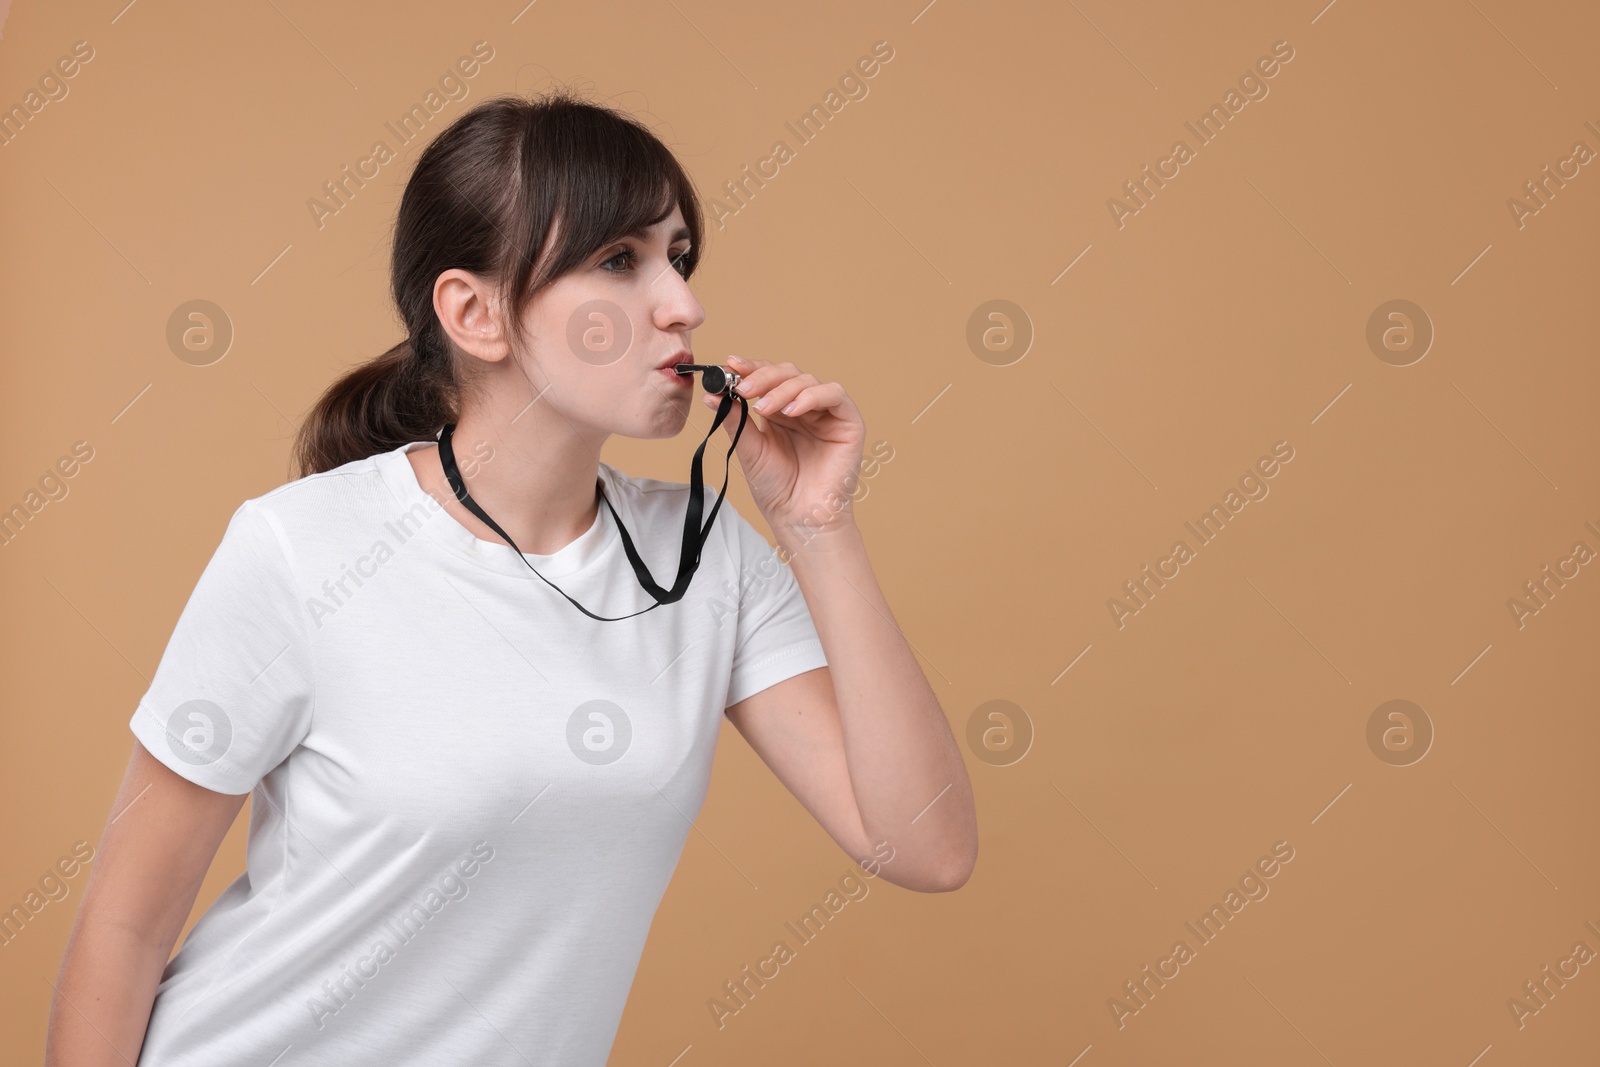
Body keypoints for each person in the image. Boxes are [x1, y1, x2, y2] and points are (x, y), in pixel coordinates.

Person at [44, 88, 977, 1067]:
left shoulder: (708, 563)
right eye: (620, 260)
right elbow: (124, 928)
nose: (683, 303)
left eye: (677, 256)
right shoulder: (299, 548)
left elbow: (924, 846)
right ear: (474, 312)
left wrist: (817, 526)